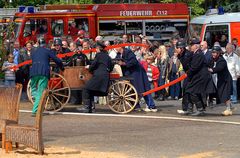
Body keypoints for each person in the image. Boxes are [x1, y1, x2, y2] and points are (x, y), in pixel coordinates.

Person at [115, 39, 157, 112]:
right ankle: (136, 106)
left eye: (116, 46)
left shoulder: (128, 52)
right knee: (131, 90)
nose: (115, 48)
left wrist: (124, 63)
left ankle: (151, 105)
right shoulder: (119, 54)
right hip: (129, 74)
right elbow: (116, 60)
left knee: (144, 88)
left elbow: (133, 62)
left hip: (137, 73)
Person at [30, 38, 64, 117]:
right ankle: (35, 111)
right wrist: (62, 67)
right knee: (40, 92)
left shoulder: (33, 52)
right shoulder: (47, 51)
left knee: (33, 89)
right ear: (45, 44)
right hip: (43, 73)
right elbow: (57, 60)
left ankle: (37, 101)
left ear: (38, 44)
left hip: (33, 72)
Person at [77, 42, 113, 113]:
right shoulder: (107, 56)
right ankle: (91, 107)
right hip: (105, 76)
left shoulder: (98, 55)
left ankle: (86, 107)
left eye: (96, 48)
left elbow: (94, 65)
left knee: (85, 88)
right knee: (91, 89)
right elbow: (111, 67)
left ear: (98, 49)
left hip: (98, 76)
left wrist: (89, 67)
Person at [185, 38, 210, 116]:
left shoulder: (198, 54)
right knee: (191, 91)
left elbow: (194, 67)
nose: (190, 47)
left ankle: (200, 109)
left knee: (192, 91)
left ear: (196, 46)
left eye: (192, 45)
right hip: (197, 76)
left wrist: (188, 73)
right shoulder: (195, 53)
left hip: (200, 76)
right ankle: (195, 108)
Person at [208, 46, 233, 116]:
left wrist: (211, 70)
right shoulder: (212, 60)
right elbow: (208, 64)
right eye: (213, 52)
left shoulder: (222, 60)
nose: (213, 54)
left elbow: (219, 68)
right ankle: (231, 107)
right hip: (219, 80)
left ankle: (228, 109)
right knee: (221, 94)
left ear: (219, 53)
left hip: (226, 80)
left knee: (225, 94)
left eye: (215, 53)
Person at [175, 40, 193, 115]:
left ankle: (188, 108)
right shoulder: (182, 54)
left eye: (177, 48)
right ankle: (186, 108)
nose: (176, 49)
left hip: (190, 74)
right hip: (187, 74)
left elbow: (188, 66)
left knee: (188, 91)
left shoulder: (187, 55)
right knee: (185, 90)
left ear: (181, 48)